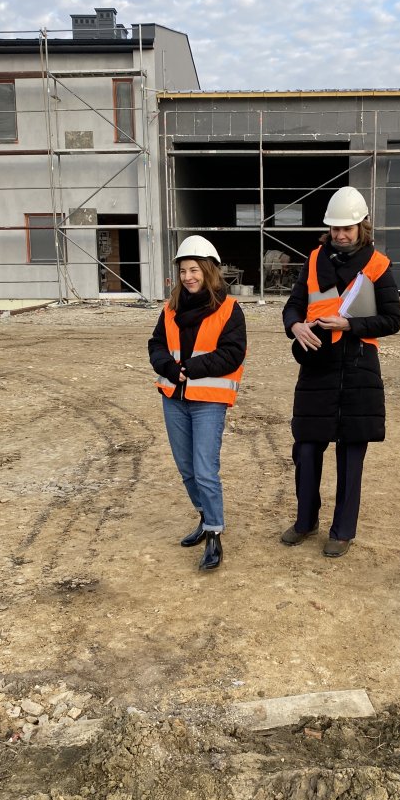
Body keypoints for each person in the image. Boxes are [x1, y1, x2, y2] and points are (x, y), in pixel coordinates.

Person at [281, 186, 400, 557]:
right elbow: (293, 305)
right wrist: (295, 326)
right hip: (317, 366)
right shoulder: (314, 260)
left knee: (351, 454)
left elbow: (393, 319)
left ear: (362, 226)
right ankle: (305, 521)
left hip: (358, 368)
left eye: (347, 228)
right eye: (335, 229)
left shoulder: (377, 265)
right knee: (306, 449)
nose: (340, 235)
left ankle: (342, 530)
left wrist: (350, 325)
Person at [148, 236, 246, 571]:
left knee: (205, 471)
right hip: (174, 399)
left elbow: (232, 353)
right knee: (187, 470)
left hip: (208, 401)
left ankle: (215, 533)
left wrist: (189, 368)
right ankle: (205, 519)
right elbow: (157, 344)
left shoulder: (229, 309)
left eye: (194, 270)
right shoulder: (171, 308)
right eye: (183, 270)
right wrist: (167, 367)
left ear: (208, 270)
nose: (188, 276)